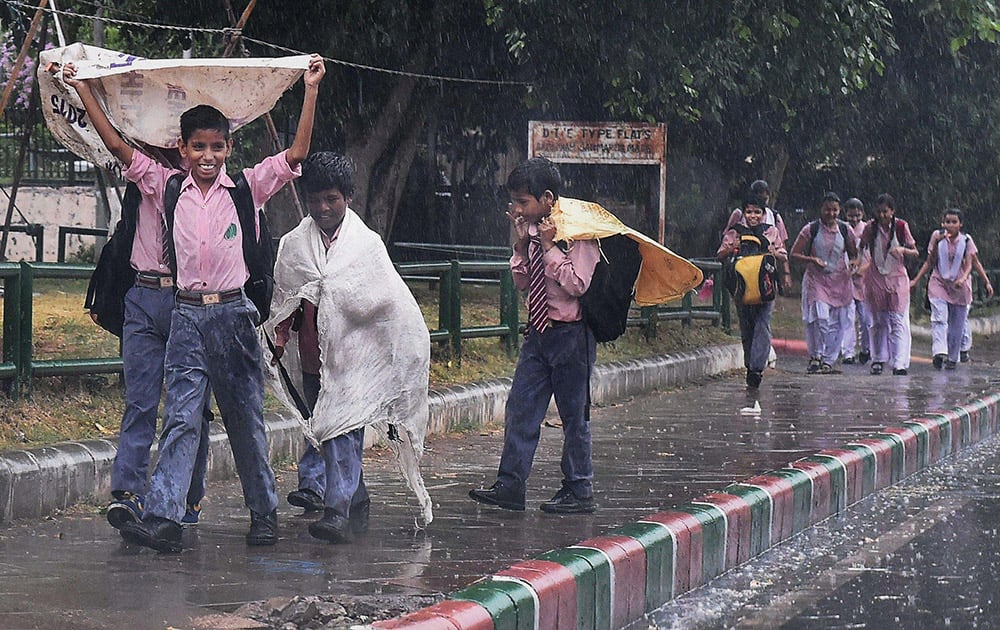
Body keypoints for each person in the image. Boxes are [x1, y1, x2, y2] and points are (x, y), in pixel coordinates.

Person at [64, 54, 326, 552]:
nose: (208, 156)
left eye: (217, 146)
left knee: (245, 418)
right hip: (186, 315)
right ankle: (164, 516)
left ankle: (263, 510)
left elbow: (296, 153)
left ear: (228, 148)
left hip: (232, 317)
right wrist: (83, 94)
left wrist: (309, 90)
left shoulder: (248, 187)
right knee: (181, 417)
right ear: (181, 150)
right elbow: (119, 147)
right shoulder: (166, 188)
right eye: (198, 147)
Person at [265, 151, 433, 542]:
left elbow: (389, 303)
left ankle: (336, 510)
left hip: (355, 360)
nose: (323, 208)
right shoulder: (294, 245)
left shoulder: (367, 246)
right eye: (315, 199)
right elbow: (287, 297)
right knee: (325, 432)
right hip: (312, 359)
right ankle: (355, 498)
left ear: (348, 198)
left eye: (332, 199)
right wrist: (279, 334)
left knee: (342, 430)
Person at [469, 157, 601, 514]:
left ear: (546, 197)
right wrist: (521, 243)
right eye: (514, 201)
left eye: (523, 201)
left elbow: (578, 284)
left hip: (572, 336)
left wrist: (548, 248)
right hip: (539, 333)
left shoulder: (577, 234)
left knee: (575, 416)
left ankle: (579, 488)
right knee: (521, 407)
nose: (516, 209)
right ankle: (510, 485)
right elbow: (523, 282)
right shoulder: (529, 230)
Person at [101, 184, 214, 532]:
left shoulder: (203, 184)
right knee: (140, 400)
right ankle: (128, 492)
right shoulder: (141, 176)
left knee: (192, 408)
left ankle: (188, 494)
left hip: (191, 299)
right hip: (143, 295)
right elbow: (117, 148)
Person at [717, 198, 786, 391]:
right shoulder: (735, 232)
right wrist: (733, 247)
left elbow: (783, 254)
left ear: (763, 213)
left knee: (762, 324)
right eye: (749, 212)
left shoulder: (771, 231)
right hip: (742, 288)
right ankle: (750, 365)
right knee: (747, 328)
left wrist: (774, 251)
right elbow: (720, 253)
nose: (753, 216)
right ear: (744, 213)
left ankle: (757, 369)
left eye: (757, 212)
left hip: (765, 288)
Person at [909, 209, 992, 369]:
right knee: (939, 318)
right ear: (942, 223)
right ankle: (939, 352)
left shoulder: (967, 241)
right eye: (947, 222)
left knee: (957, 324)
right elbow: (929, 261)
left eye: (954, 222)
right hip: (939, 282)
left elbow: (971, 264)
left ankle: (953, 358)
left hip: (959, 286)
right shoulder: (937, 236)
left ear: (960, 224)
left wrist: (983, 281)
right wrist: (916, 280)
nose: (950, 225)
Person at [789, 192, 858, 374]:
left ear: (839, 211)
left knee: (839, 322)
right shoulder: (810, 229)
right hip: (816, 280)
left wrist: (853, 264)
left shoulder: (845, 230)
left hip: (840, 281)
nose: (831, 213)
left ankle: (829, 360)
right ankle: (816, 355)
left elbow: (854, 254)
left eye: (835, 210)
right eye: (827, 209)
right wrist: (812, 259)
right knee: (820, 318)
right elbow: (794, 254)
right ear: (821, 209)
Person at [860, 193, 918, 376]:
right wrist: (858, 263)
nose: (882, 215)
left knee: (896, 320)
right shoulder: (870, 227)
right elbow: (861, 246)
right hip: (876, 278)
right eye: (879, 212)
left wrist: (902, 250)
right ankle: (878, 359)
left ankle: (899, 362)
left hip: (897, 278)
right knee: (877, 321)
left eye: (885, 211)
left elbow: (914, 251)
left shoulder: (901, 227)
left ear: (892, 211)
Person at [725, 179, 792, 293]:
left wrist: (786, 273)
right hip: (743, 270)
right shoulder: (739, 215)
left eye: (764, 199)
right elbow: (727, 239)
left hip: (765, 272)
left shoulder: (774, 217)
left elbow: (781, 247)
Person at [841, 198, 872, 365]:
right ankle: (848, 352)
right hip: (846, 279)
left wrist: (862, 269)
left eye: (857, 215)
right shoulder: (842, 229)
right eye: (851, 215)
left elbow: (874, 257)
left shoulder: (868, 230)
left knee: (866, 319)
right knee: (847, 317)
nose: (854, 219)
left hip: (864, 280)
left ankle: (866, 349)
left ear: (862, 213)